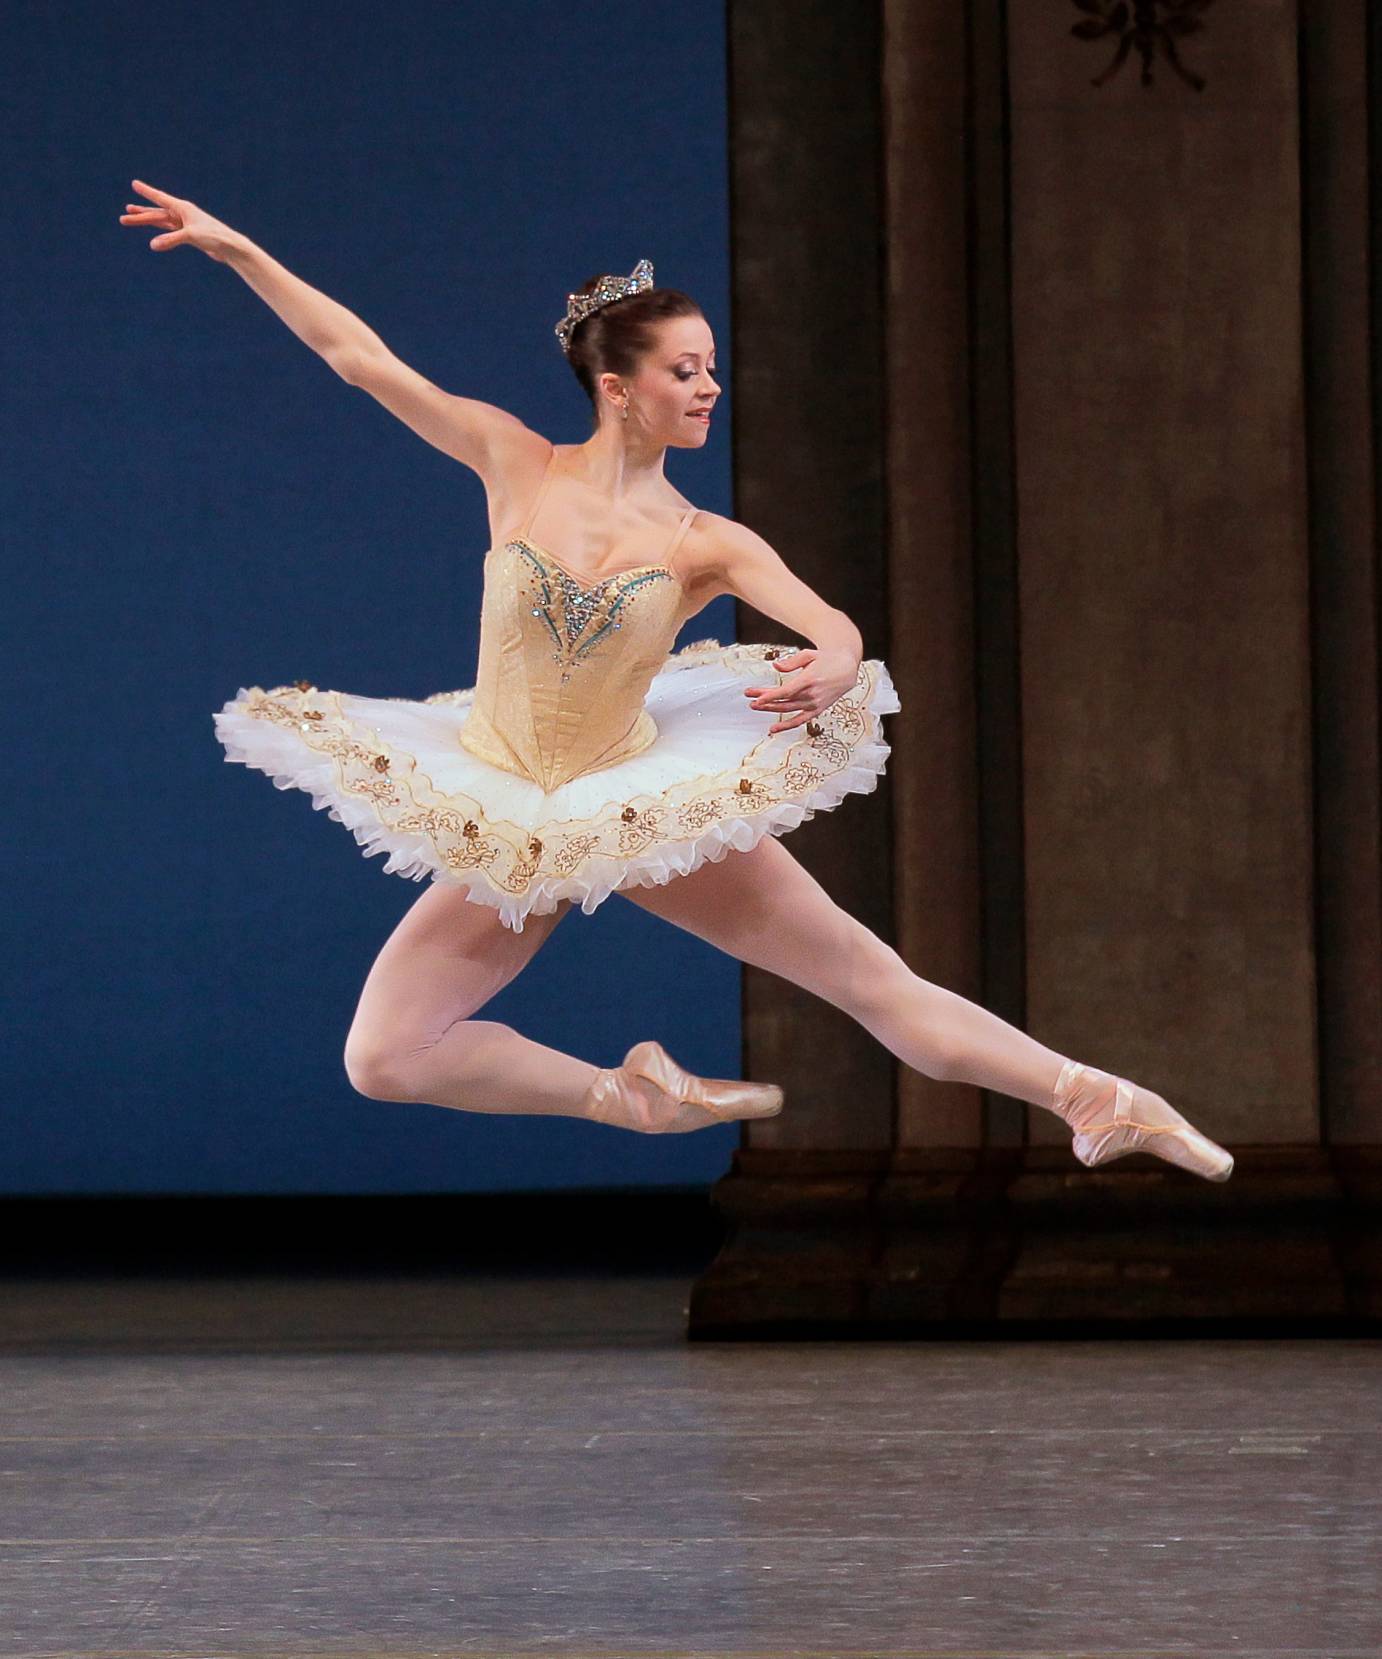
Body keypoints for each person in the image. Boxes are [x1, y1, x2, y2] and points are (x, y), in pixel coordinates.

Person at [121, 179, 1233, 1178]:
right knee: (387, 1057)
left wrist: (837, 659)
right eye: (685, 371)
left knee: (865, 976)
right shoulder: (513, 463)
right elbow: (362, 361)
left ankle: (1094, 1094)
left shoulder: (707, 539)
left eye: (710, 369)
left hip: (629, 794)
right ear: (617, 387)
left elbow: (830, 623)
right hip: (505, 802)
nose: (709, 389)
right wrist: (238, 250)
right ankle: (627, 1097)